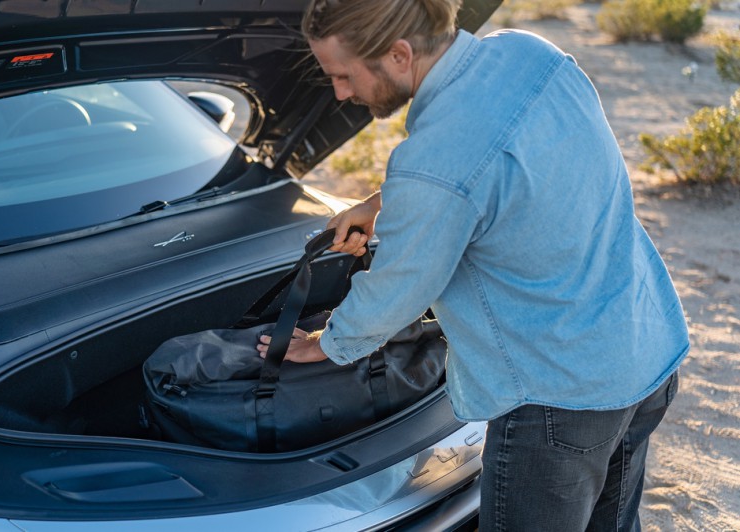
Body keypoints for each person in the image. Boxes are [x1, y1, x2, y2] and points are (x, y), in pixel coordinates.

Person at [256, 0, 689, 529]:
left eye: (343, 75)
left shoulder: (434, 162)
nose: (341, 94)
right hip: (643, 351)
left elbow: (398, 289)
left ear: (398, 54)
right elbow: (504, 169)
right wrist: (381, 204)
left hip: (558, 399)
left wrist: (325, 342)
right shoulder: (529, 53)